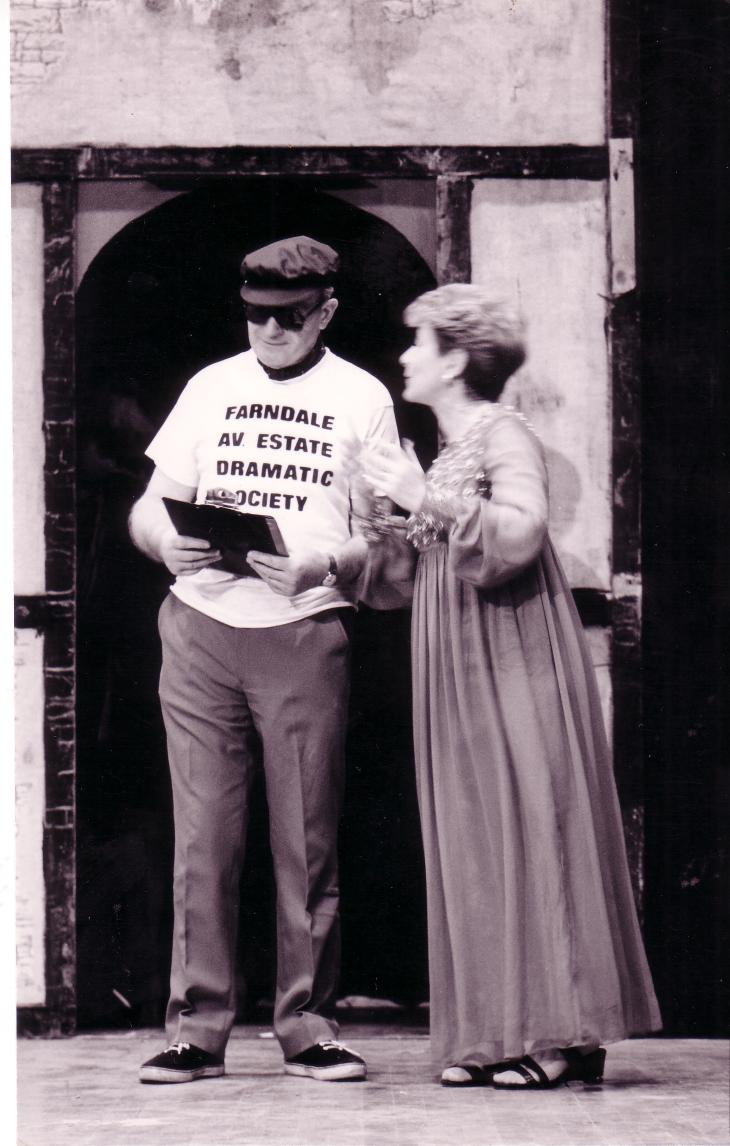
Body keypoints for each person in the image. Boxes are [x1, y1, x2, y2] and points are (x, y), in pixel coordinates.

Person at [360, 284, 661, 1089]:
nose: (405, 356)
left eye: (419, 343)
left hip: (512, 648)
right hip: (456, 657)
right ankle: (497, 1031)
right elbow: (407, 570)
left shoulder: (504, 434)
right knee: (477, 831)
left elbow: (521, 532)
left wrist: (421, 496)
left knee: (530, 820)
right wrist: (354, 537)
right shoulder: (448, 450)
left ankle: (559, 1034)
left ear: (457, 360)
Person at [130, 235, 399, 1084]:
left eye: (289, 316)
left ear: (327, 311)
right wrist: (162, 543)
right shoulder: (212, 385)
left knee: (305, 839)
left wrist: (327, 564)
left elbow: (384, 534)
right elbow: (151, 505)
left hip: (302, 630)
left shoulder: (361, 397)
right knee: (203, 836)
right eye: (255, 316)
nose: (270, 331)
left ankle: (307, 1023)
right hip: (202, 624)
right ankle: (197, 1028)